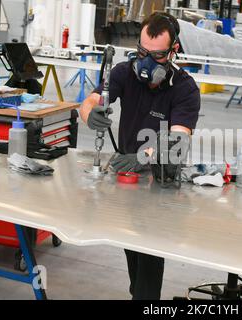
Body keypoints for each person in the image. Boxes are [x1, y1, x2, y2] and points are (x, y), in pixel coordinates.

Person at [79, 12, 201, 299]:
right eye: (142, 52)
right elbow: (90, 101)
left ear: (174, 51)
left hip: (160, 179)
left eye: (156, 56)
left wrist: (144, 156)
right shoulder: (124, 73)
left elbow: (179, 139)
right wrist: (89, 115)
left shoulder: (184, 89)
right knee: (131, 246)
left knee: (148, 253)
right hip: (125, 175)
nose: (146, 62)